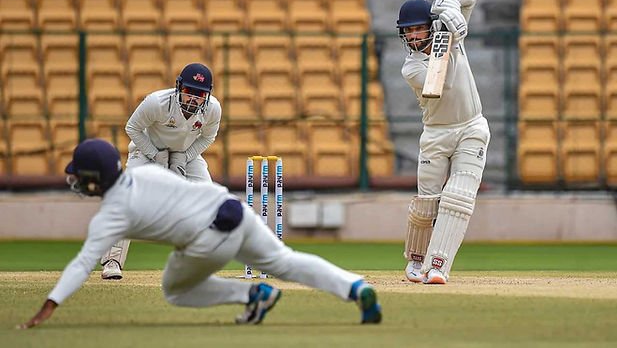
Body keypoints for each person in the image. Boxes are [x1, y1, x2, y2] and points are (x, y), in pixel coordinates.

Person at [18, 139, 382, 329]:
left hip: (208, 238)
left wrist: (50, 304)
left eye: (81, 177)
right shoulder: (144, 174)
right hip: (235, 210)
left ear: (95, 179)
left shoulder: (111, 215)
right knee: (287, 261)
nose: (78, 183)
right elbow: (197, 190)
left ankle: (253, 294)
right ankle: (356, 288)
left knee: (175, 291)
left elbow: (83, 264)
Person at [396, 0, 490, 284]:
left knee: (458, 199)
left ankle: (438, 265)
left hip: (471, 126)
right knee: (427, 203)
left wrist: (449, 2)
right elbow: (443, 83)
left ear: (430, 24)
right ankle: (416, 257)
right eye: (408, 31)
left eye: (418, 28)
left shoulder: (448, 32)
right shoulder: (411, 68)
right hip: (436, 134)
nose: (413, 36)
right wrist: (451, 39)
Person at [101, 62, 222, 280]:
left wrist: (184, 157)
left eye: (200, 94)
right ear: (179, 88)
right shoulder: (157, 102)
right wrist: (156, 155)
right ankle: (112, 260)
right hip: (146, 150)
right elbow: (132, 128)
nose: (193, 99)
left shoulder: (213, 109)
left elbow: (208, 137)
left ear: (207, 95)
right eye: (188, 92)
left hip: (186, 153)